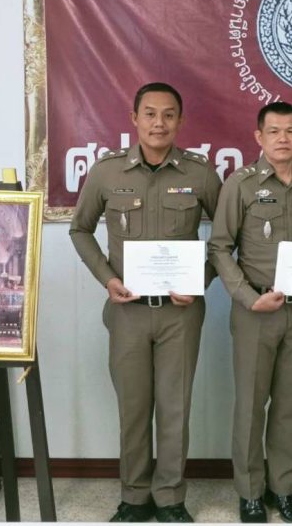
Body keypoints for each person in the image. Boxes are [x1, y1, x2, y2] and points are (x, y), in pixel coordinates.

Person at [70, 82, 221, 523]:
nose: (159, 123)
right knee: (133, 408)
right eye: (150, 114)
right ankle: (134, 496)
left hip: (180, 313)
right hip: (128, 312)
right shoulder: (107, 172)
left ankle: (170, 496)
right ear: (134, 119)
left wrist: (200, 281)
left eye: (169, 114)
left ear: (180, 121)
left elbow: (228, 237)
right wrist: (107, 278)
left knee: (175, 408)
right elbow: (80, 229)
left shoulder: (200, 173)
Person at [209, 102, 292, 524]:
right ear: (258, 137)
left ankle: (282, 488)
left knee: (290, 405)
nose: (282, 138)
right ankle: (250, 492)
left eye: (290, 131)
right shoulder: (240, 184)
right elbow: (219, 247)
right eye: (273, 131)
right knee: (251, 405)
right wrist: (246, 296)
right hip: (256, 310)